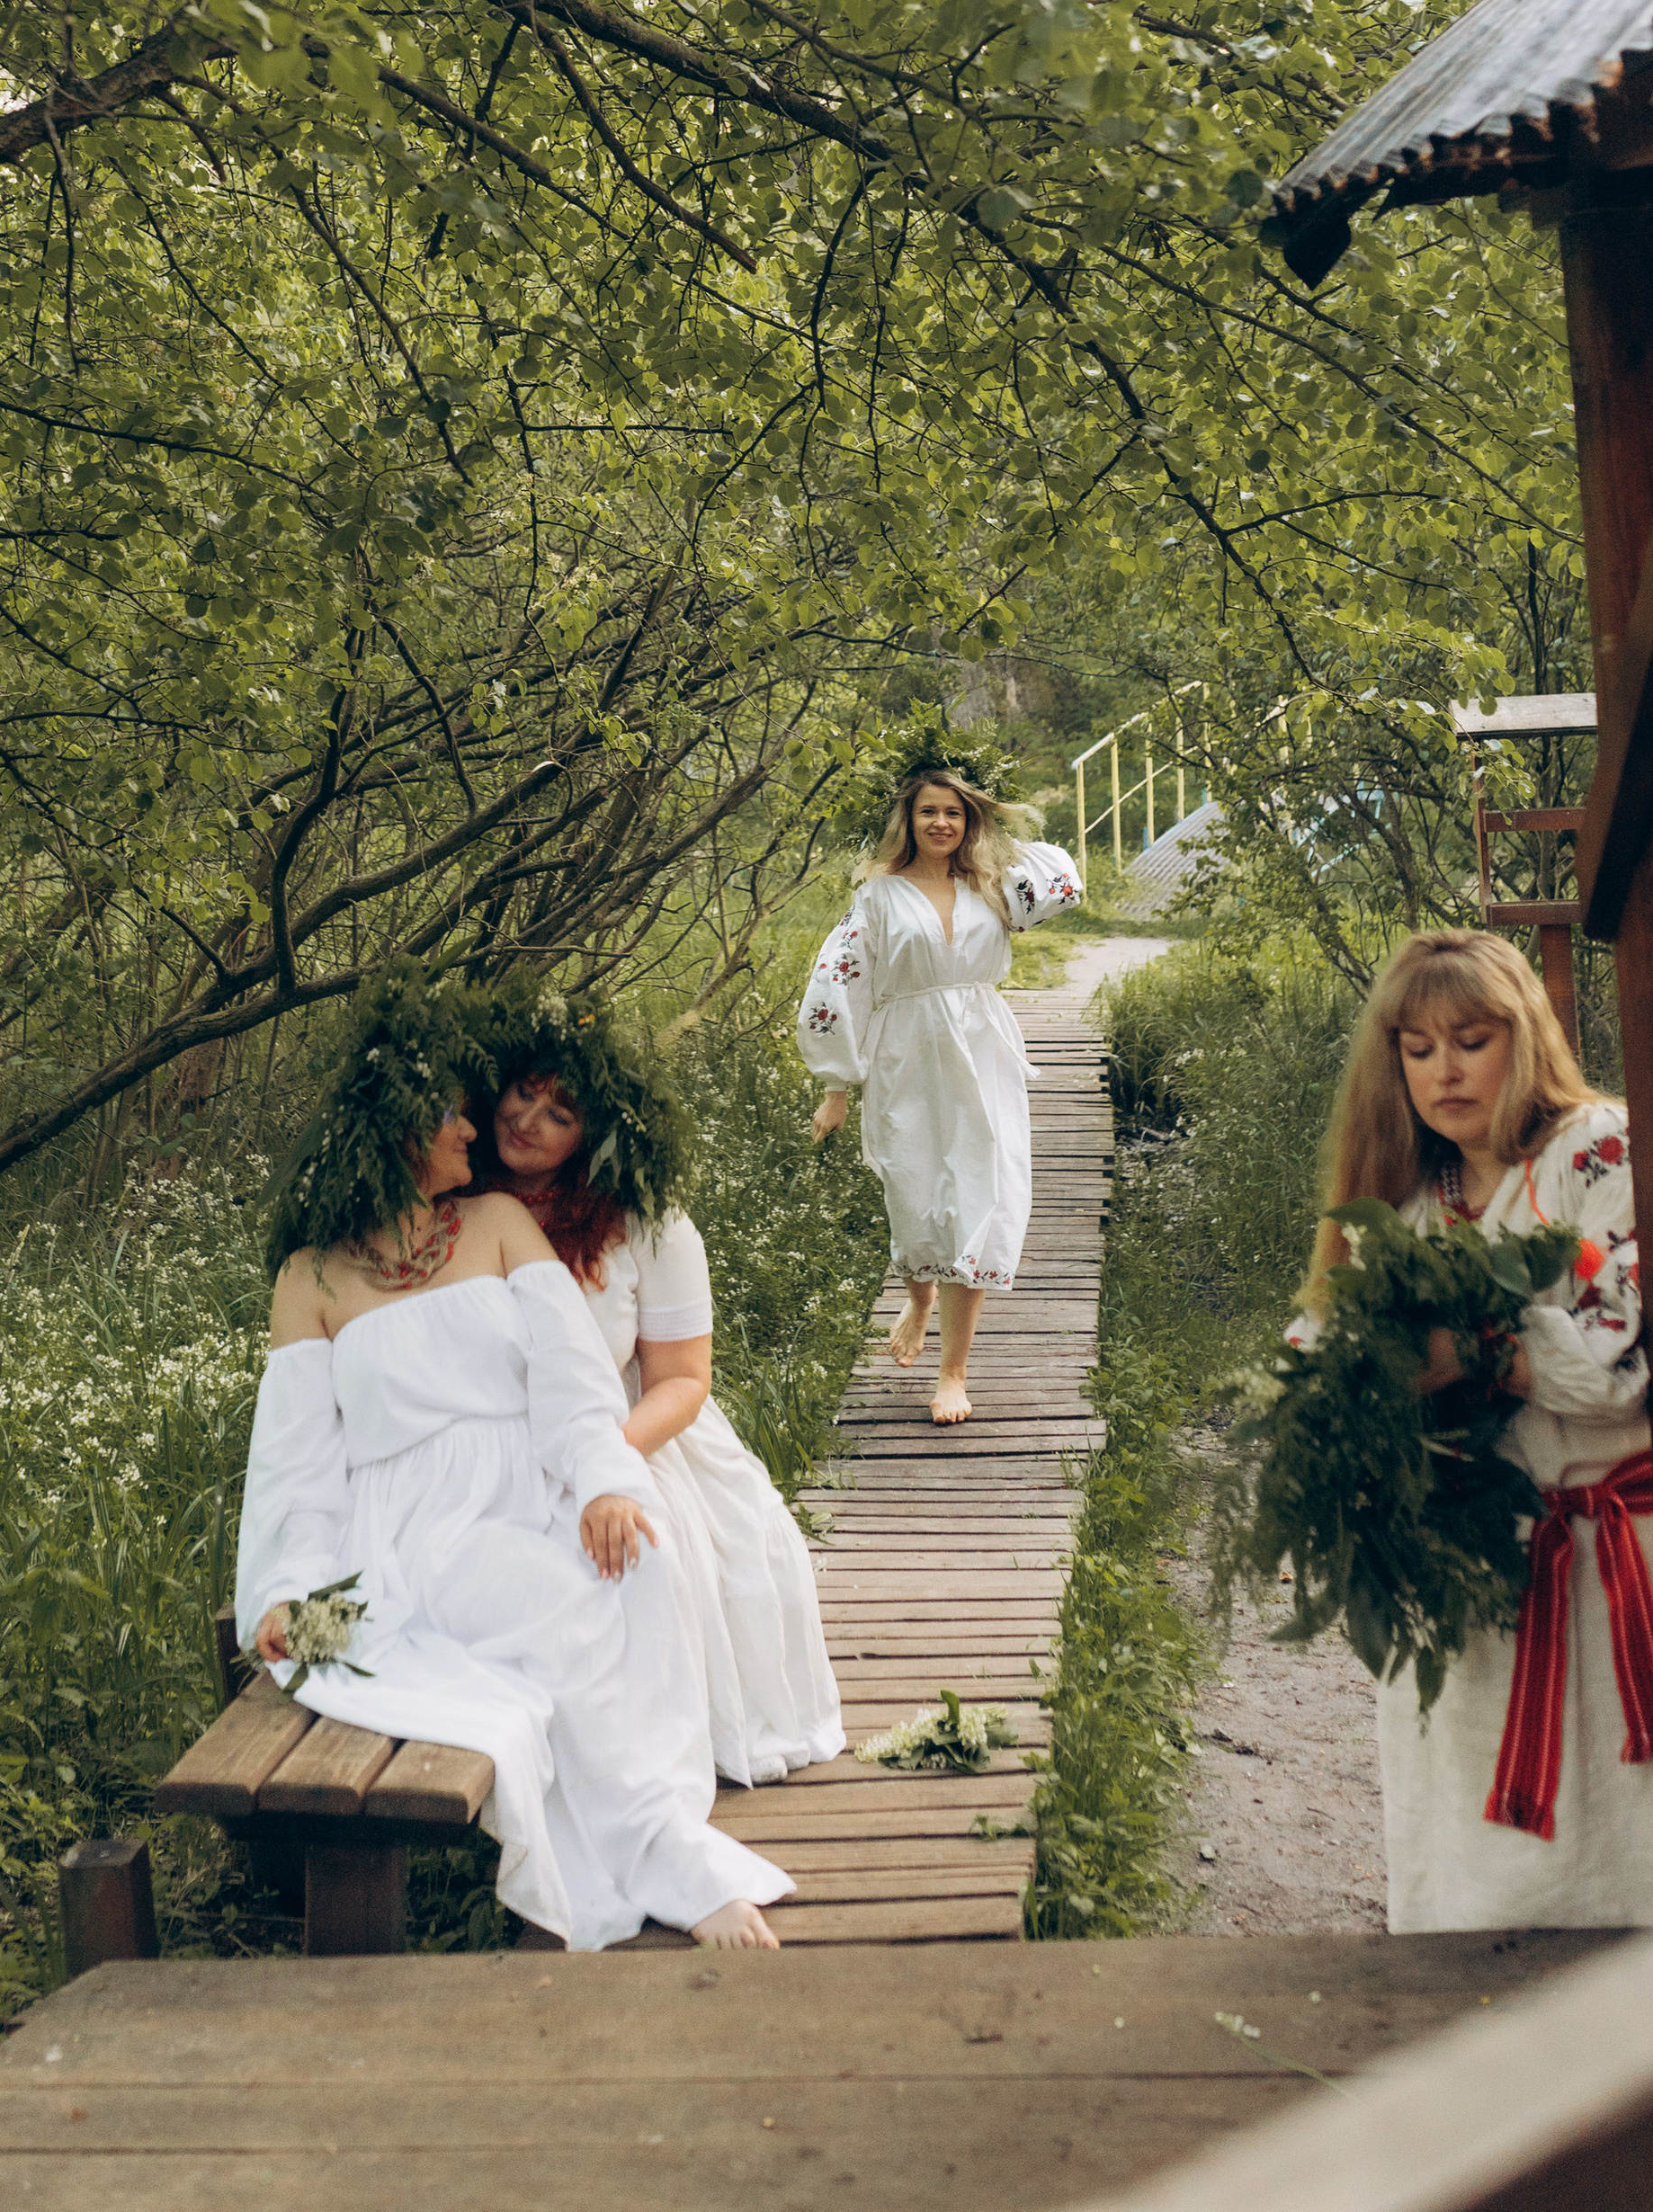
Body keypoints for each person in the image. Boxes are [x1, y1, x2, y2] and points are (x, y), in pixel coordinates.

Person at [234, 971, 791, 1951]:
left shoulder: (495, 1225)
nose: (470, 1130)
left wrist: (605, 1483)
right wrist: (285, 1590)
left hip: (521, 1488)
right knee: (509, 1624)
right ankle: (668, 1863)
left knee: (633, 1570)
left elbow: (572, 1380)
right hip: (399, 1530)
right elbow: (295, 1466)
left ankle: (656, 1834)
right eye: (448, 1116)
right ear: (397, 1133)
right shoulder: (309, 1279)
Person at [1294, 930, 1653, 1932]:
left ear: (1524, 1034)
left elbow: (1616, 1367)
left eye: (1470, 1039)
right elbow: (1323, 1347)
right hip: (1470, 1562)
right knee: (1477, 1849)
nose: (1444, 1070)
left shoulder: (1599, 1148)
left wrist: (1471, 1354)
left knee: (1630, 1830)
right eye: (1416, 1049)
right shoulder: (1409, 1199)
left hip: (1608, 1559)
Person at [465, 993, 843, 1787]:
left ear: (592, 1136)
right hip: (485, 1441)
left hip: (628, 1432)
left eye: (560, 1113)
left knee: (641, 1557)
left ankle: (629, 1768)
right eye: (524, 1092)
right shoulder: (447, 1205)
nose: (529, 1119)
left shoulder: (645, 1222)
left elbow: (683, 1383)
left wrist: (601, 1459)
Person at [797, 764, 1082, 1423]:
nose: (942, 823)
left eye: (955, 812)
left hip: (983, 1055)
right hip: (908, 1057)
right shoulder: (878, 896)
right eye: (929, 811)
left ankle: (953, 1372)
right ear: (909, 819)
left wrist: (994, 824)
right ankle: (919, 1295)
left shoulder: (993, 886)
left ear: (969, 819)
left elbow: (1065, 881)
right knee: (917, 1192)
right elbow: (839, 985)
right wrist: (837, 1085)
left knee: (979, 1198)